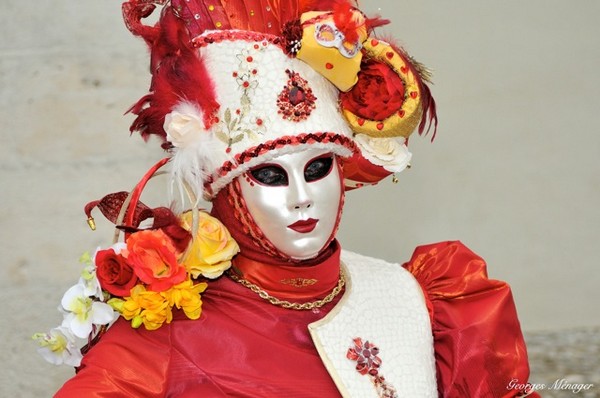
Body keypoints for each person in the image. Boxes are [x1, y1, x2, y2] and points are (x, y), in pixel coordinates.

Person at [34, 0, 539, 396]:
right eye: (270, 175)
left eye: (318, 169)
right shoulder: (165, 331)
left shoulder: (424, 301)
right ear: (226, 191)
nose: (303, 198)